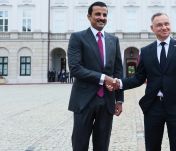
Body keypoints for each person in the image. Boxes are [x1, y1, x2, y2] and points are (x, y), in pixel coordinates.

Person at [108, 12, 176, 151]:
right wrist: (120, 83)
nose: (164, 27)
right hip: (153, 106)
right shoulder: (146, 51)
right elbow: (139, 78)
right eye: (159, 25)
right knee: (152, 146)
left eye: (166, 24)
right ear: (152, 28)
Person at [67, 1, 124, 151]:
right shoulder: (77, 38)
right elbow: (75, 68)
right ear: (89, 16)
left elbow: (118, 71)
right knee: (80, 144)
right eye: (97, 14)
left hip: (107, 101)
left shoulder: (114, 40)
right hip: (84, 101)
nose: (101, 17)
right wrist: (103, 78)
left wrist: (119, 99)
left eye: (104, 15)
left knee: (102, 145)